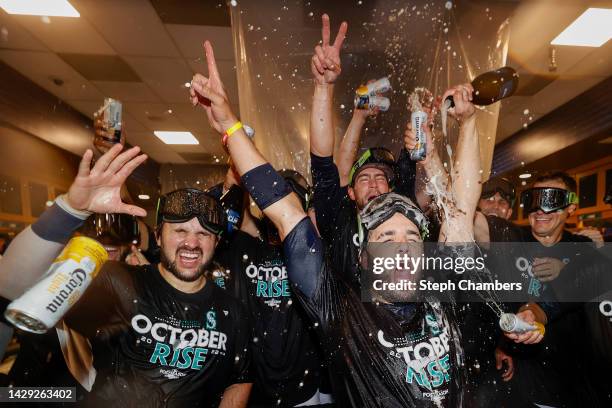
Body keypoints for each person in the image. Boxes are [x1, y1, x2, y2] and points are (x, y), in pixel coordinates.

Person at [188, 19, 484, 404]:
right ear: (362, 255)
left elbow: (460, 210)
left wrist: (471, 122)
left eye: (411, 238)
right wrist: (230, 124)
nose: (401, 249)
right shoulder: (341, 314)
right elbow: (285, 210)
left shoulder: (444, 293)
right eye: (386, 239)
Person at [0, 145, 252, 407]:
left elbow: (240, 378)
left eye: (203, 234)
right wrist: (70, 211)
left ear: (216, 243)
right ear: (157, 237)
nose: (191, 242)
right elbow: (14, 289)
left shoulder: (231, 310)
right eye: (179, 231)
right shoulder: (118, 282)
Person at [215, 171, 331, 407]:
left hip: (303, 386)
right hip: (256, 385)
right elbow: (238, 210)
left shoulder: (309, 254)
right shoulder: (247, 245)